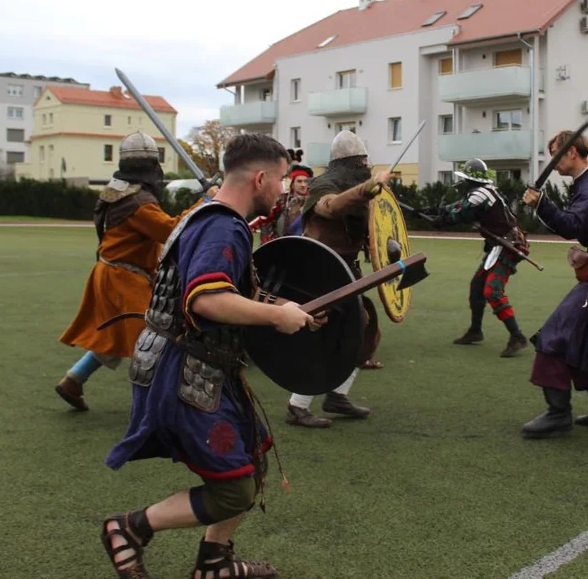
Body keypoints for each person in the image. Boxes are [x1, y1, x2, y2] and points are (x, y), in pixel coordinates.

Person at [101, 133, 317, 579]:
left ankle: (214, 562)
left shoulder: (205, 215)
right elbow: (206, 299)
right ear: (259, 178)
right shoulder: (224, 225)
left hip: (198, 361)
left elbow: (229, 291)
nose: (281, 190)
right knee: (234, 489)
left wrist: (284, 309)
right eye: (279, 179)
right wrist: (276, 319)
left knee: (253, 455)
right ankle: (130, 528)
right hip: (183, 368)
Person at [55, 131, 197, 411]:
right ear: (152, 166)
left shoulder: (117, 190)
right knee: (153, 337)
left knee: (117, 335)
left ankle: (74, 380)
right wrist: (204, 203)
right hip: (122, 277)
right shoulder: (136, 201)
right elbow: (169, 230)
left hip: (114, 273)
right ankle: (156, 404)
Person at [519, 130, 588, 438]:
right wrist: (543, 204)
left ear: (571, 153)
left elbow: (572, 226)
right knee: (583, 339)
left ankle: (559, 414)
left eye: (554, 153)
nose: (551, 161)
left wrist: (541, 203)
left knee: (555, 336)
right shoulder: (587, 183)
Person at [284, 130, 393, 428]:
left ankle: (337, 395)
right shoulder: (324, 185)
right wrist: (366, 188)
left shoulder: (360, 189)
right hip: (319, 269)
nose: (365, 166)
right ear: (347, 162)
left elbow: (374, 229)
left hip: (346, 270)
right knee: (320, 337)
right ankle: (297, 405)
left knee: (365, 329)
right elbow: (329, 207)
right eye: (360, 161)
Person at [431, 158, 531, 358]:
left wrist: (443, 221)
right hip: (498, 247)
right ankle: (475, 331)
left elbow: (463, 213)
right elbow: (458, 206)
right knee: (477, 287)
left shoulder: (481, 194)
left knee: (492, 291)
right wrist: (437, 211)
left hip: (508, 247)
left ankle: (517, 336)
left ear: (471, 180)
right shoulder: (483, 192)